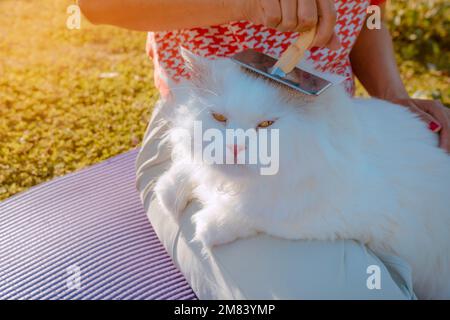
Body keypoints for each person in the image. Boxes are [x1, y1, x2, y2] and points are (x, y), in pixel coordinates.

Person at [78, 0, 447, 299]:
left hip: (332, 116)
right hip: (199, 111)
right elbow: (99, 6)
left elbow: (368, 11)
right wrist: (244, 4)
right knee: (324, 288)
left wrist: (392, 95)